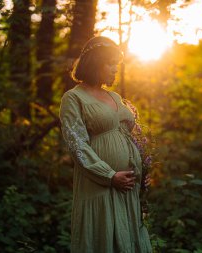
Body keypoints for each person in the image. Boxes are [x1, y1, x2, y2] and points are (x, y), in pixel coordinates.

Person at [59, 36, 152, 253]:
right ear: (94, 62)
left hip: (127, 187)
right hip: (100, 186)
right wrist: (109, 175)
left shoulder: (115, 97)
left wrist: (143, 169)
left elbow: (133, 138)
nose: (115, 70)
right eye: (110, 64)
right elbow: (77, 146)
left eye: (117, 65)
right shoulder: (73, 98)